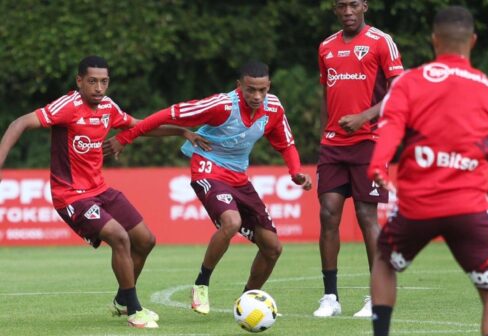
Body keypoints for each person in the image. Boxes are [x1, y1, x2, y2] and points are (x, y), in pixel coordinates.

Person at [0, 55, 209, 329]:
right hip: (71, 195)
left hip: (100, 189)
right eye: (92, 81)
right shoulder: (68, 106)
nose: (99, 88)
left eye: (104, 81)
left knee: (146, 240)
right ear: (79, 81)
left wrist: (183, 132)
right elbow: (20, 123)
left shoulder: (108, 107)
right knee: (119, 237)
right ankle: (134, 310)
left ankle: (123, 299)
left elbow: (140, 126)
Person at [106, 60, 313, 315]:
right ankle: (201, 284)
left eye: (262, 90)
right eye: (250, 90)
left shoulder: (274, 108)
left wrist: (295, 172)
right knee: (231, 222)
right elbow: (169, 113)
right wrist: (126, 137)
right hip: (209, 167)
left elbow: (286, 144)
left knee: (273, 248)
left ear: (269, 86)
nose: (257, 96)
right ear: (239, 86)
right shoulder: (221, 106)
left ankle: (247, 303)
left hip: (239, 177)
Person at [367, 6, 488, 336]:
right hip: (470, 208)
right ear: (473, 41)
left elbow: (390, 125)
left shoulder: (410, 82)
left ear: (434, 40)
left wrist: (379, 165)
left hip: (416, 207)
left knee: (383, 260)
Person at [314, 0, 404, 318]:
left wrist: (365, 115)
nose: (347, 11)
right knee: (328, 215)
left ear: (364, 5)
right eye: (341, 6)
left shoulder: (381, 41)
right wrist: (323, 135)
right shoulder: (325, 46)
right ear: (335, 10)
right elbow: (326, 92)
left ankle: (375, 297)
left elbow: (400, 91)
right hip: (333, 145)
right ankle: (330, 298)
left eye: (353, 4)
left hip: (370, 142)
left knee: (367, 216)